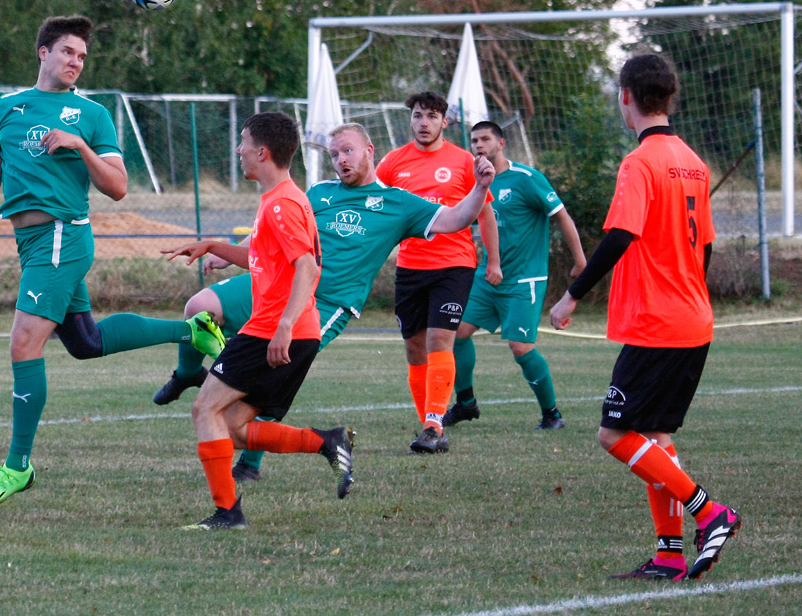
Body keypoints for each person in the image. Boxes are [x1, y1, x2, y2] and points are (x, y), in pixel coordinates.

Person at [0, 15, 225, 508]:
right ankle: (193, 331)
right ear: (43, 53)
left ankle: (18, 468)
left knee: (23, 344)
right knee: (85, 342)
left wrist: (79, 145)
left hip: (64, 238)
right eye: (67, 52)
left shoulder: (92, 116)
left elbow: (118, 188)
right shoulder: (6, 109)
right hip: (30, 244)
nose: (76, 62)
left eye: (82, 56)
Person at [155, 122, 496, 481]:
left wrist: (480, 187)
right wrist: (230, 253)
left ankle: (249, 465)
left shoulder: (398, 204)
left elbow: (457, 218)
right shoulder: (319, 193)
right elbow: (275, 238)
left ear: (369, 151)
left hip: (327, 304)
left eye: (347, 151)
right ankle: (188, 373)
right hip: (277, 286)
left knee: (276, 367)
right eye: (334, 154)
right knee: (199, 306)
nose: (340, 160)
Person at [549, 53, 740, 581]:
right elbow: (703, 250)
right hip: (692, 317)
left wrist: (572, 295)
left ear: (625, 97)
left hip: (660, 322)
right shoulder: (694, 162)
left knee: (614, 434)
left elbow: (619, 236)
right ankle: (668, 554)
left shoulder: (640, 163)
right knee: (655, 436)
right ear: (671, 97)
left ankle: (710, 511)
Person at [162, 112, 356, 530]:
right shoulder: (281, 197)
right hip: (287, 331)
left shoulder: (282, 203)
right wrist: (213, 245)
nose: (238, 150)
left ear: (262, 152)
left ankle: (228, 512)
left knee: (204, 409)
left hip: (274, 330)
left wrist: (284, 324)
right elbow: (262, 260)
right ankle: (326, 441)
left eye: (244, 142)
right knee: (232, 426)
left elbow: (307, 266)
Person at [375, 91, 499, 454]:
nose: (423, 123)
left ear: (445, 122)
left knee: (439, 341)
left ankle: (434, 424)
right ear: (410, 120)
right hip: (411, 266)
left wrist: (494, 261)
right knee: (414, 347)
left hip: (455, 264)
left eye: (431, 116)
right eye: (417, 116)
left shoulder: (464, 161)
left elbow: (485, 214)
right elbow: (377, 206)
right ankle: (428, 424)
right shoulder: (393, 163)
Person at [443, 121, 586, 431]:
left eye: (485, 139)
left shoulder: (526, 179)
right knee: (456, 334)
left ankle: (552, 414)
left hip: (524, 280)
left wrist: (580, 262)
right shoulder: (473, 180)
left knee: (520, 348)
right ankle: (466, 403)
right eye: (474, 140)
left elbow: (562, 216)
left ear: (501, 143)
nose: (478, 145)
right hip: (485, 277)